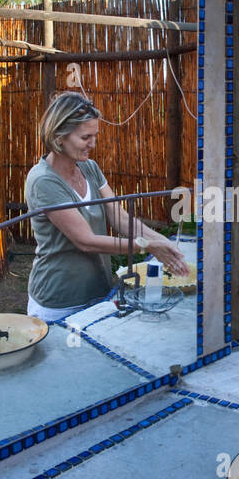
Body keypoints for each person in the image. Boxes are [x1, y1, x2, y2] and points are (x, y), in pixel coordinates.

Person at [25, 92, 189, 321]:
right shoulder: (44, 181)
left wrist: (164, 243)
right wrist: (148, 247)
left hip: (98, 290)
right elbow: (86, 241)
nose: (93, 144)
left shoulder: (89, 168)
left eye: (95, 135)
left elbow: (120, 218)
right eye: (85, 137)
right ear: (59, 136)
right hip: (60, 301)